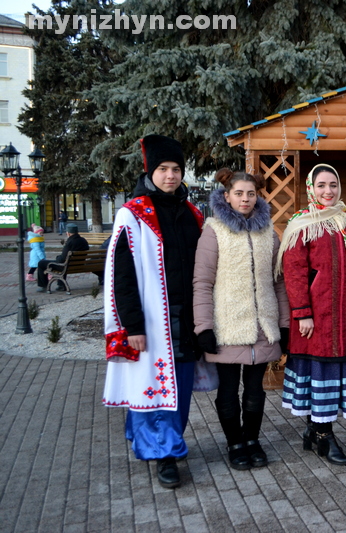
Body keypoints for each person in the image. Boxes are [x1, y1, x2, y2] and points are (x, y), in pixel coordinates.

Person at [102, 134, 204, 488]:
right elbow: (121, 276)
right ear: (150, 171)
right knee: (155, 388)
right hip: (153, 319)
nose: (171, 176)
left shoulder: (193, 213)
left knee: (181, 388)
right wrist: (132, 325)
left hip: (188, 317)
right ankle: (164, 455)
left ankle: (161, 439)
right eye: (163, 169)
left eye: (176, 169)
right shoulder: (132, 215)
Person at [277, 164, 346, 466]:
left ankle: (313, 429)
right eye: (321, 185)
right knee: (318, 371)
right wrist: (302, 313)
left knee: (329, 371)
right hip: (315, 316)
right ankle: (324, 435)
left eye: (333, 185)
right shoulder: (302, 224)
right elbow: (293, 272)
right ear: (311, 188)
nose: (328, 191)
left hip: (345, 314)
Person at [193, 169, 290, 470]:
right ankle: (234, 442)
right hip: (227, 327)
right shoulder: (214, 231)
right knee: (228, 390)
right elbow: (202, 282)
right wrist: (203, 327)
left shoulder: (267, 232)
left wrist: (283, 324)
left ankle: (252, 440)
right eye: (239, 193)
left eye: (251, 193)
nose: (245, 199)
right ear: (226, 196)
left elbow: (278, 282)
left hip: (262, 325)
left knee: (255, 390)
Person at [36, 222, 89, 292]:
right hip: (79, 265)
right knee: (65, 262)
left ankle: (43, 286)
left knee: (41, 263)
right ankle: (60, 285)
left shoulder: (70, 242)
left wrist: (57, 257)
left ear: (68, 233)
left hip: (67, 266)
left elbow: (62, 259)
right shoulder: (83, 240)